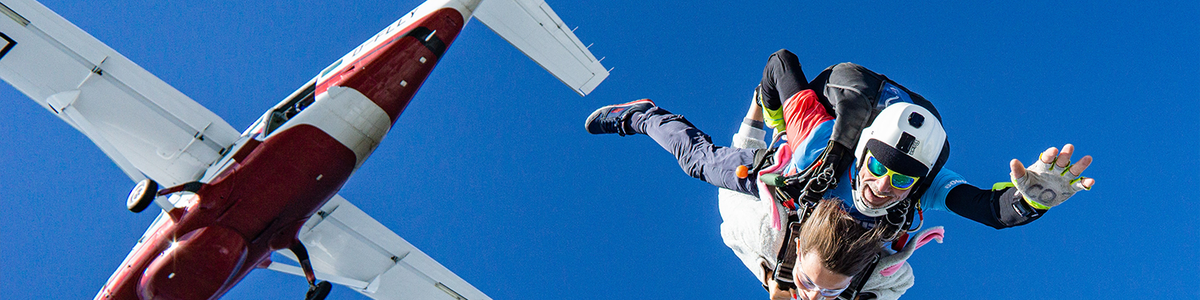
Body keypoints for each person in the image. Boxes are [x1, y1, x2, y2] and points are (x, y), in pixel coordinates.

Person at [583, 49, 1096, 299]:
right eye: (875, 168)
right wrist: (772, 118)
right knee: (701, 163)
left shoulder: (922, 185)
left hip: (822, 218)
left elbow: (989, 209)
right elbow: (780, 62)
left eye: (900, 181)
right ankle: (644, 115)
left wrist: (1032, 200)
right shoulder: (813, 143)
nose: (881, 188)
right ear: (863, 151)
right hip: (792, 166)